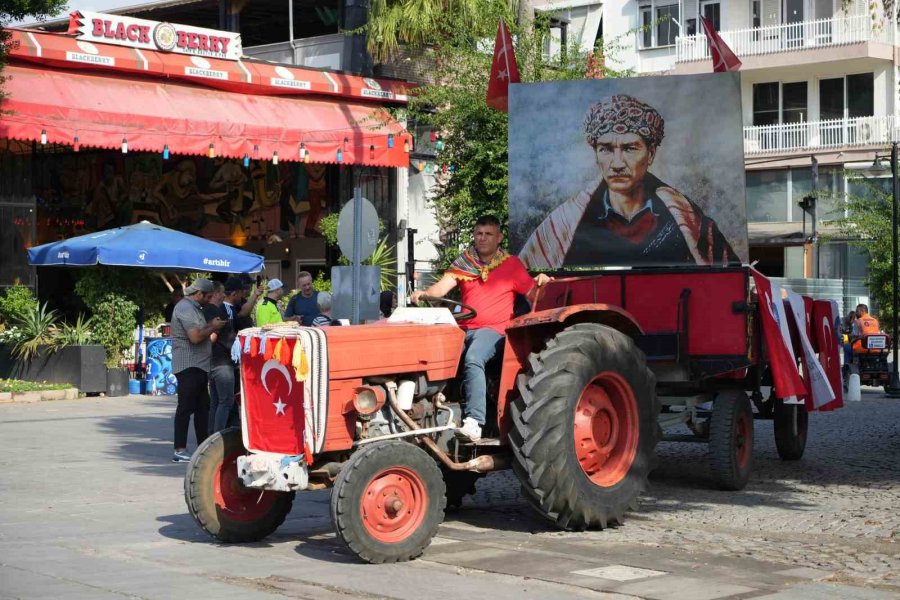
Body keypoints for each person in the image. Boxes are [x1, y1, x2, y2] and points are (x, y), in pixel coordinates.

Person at [519, 94, 739, 269]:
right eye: (605, 149)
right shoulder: (565, 223)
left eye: (629, 148)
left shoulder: (686, 217)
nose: (616, 163)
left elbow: (726, 273)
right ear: (595, 155)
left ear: (651, 154)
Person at [410, 215, 552, 441]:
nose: (483, 238)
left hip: (495, 331)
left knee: (474, 357)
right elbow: (441, 289)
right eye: (479, 234)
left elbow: (533, 295)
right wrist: (423, 293)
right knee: (429, 355)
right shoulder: (464, 263)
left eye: (488, 234)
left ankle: (474, 421)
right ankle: (434, 409)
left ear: (499, 238)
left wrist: (542, 282)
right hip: (463, 329)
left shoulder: (511, 265)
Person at [171, 278, 226, 462]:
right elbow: (194, 337)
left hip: (199, 366)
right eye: (208, 296)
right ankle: (179, 449)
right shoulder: (185, 308)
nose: (209, 300)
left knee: (203, 408)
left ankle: (204, 449)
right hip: (189, 366)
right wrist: (213, 326)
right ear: (199, 294)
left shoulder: (194, 308)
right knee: (186, 408)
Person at [203, 281, 238, 435]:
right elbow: (211, 337)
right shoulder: (214, 312)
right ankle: (218, 437)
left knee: (216, 403)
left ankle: (211, 436)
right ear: (216, 293)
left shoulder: (206, 310)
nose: (224, 295)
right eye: (222, 292)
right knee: (226, 402)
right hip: (222, 362)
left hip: (213, 363)